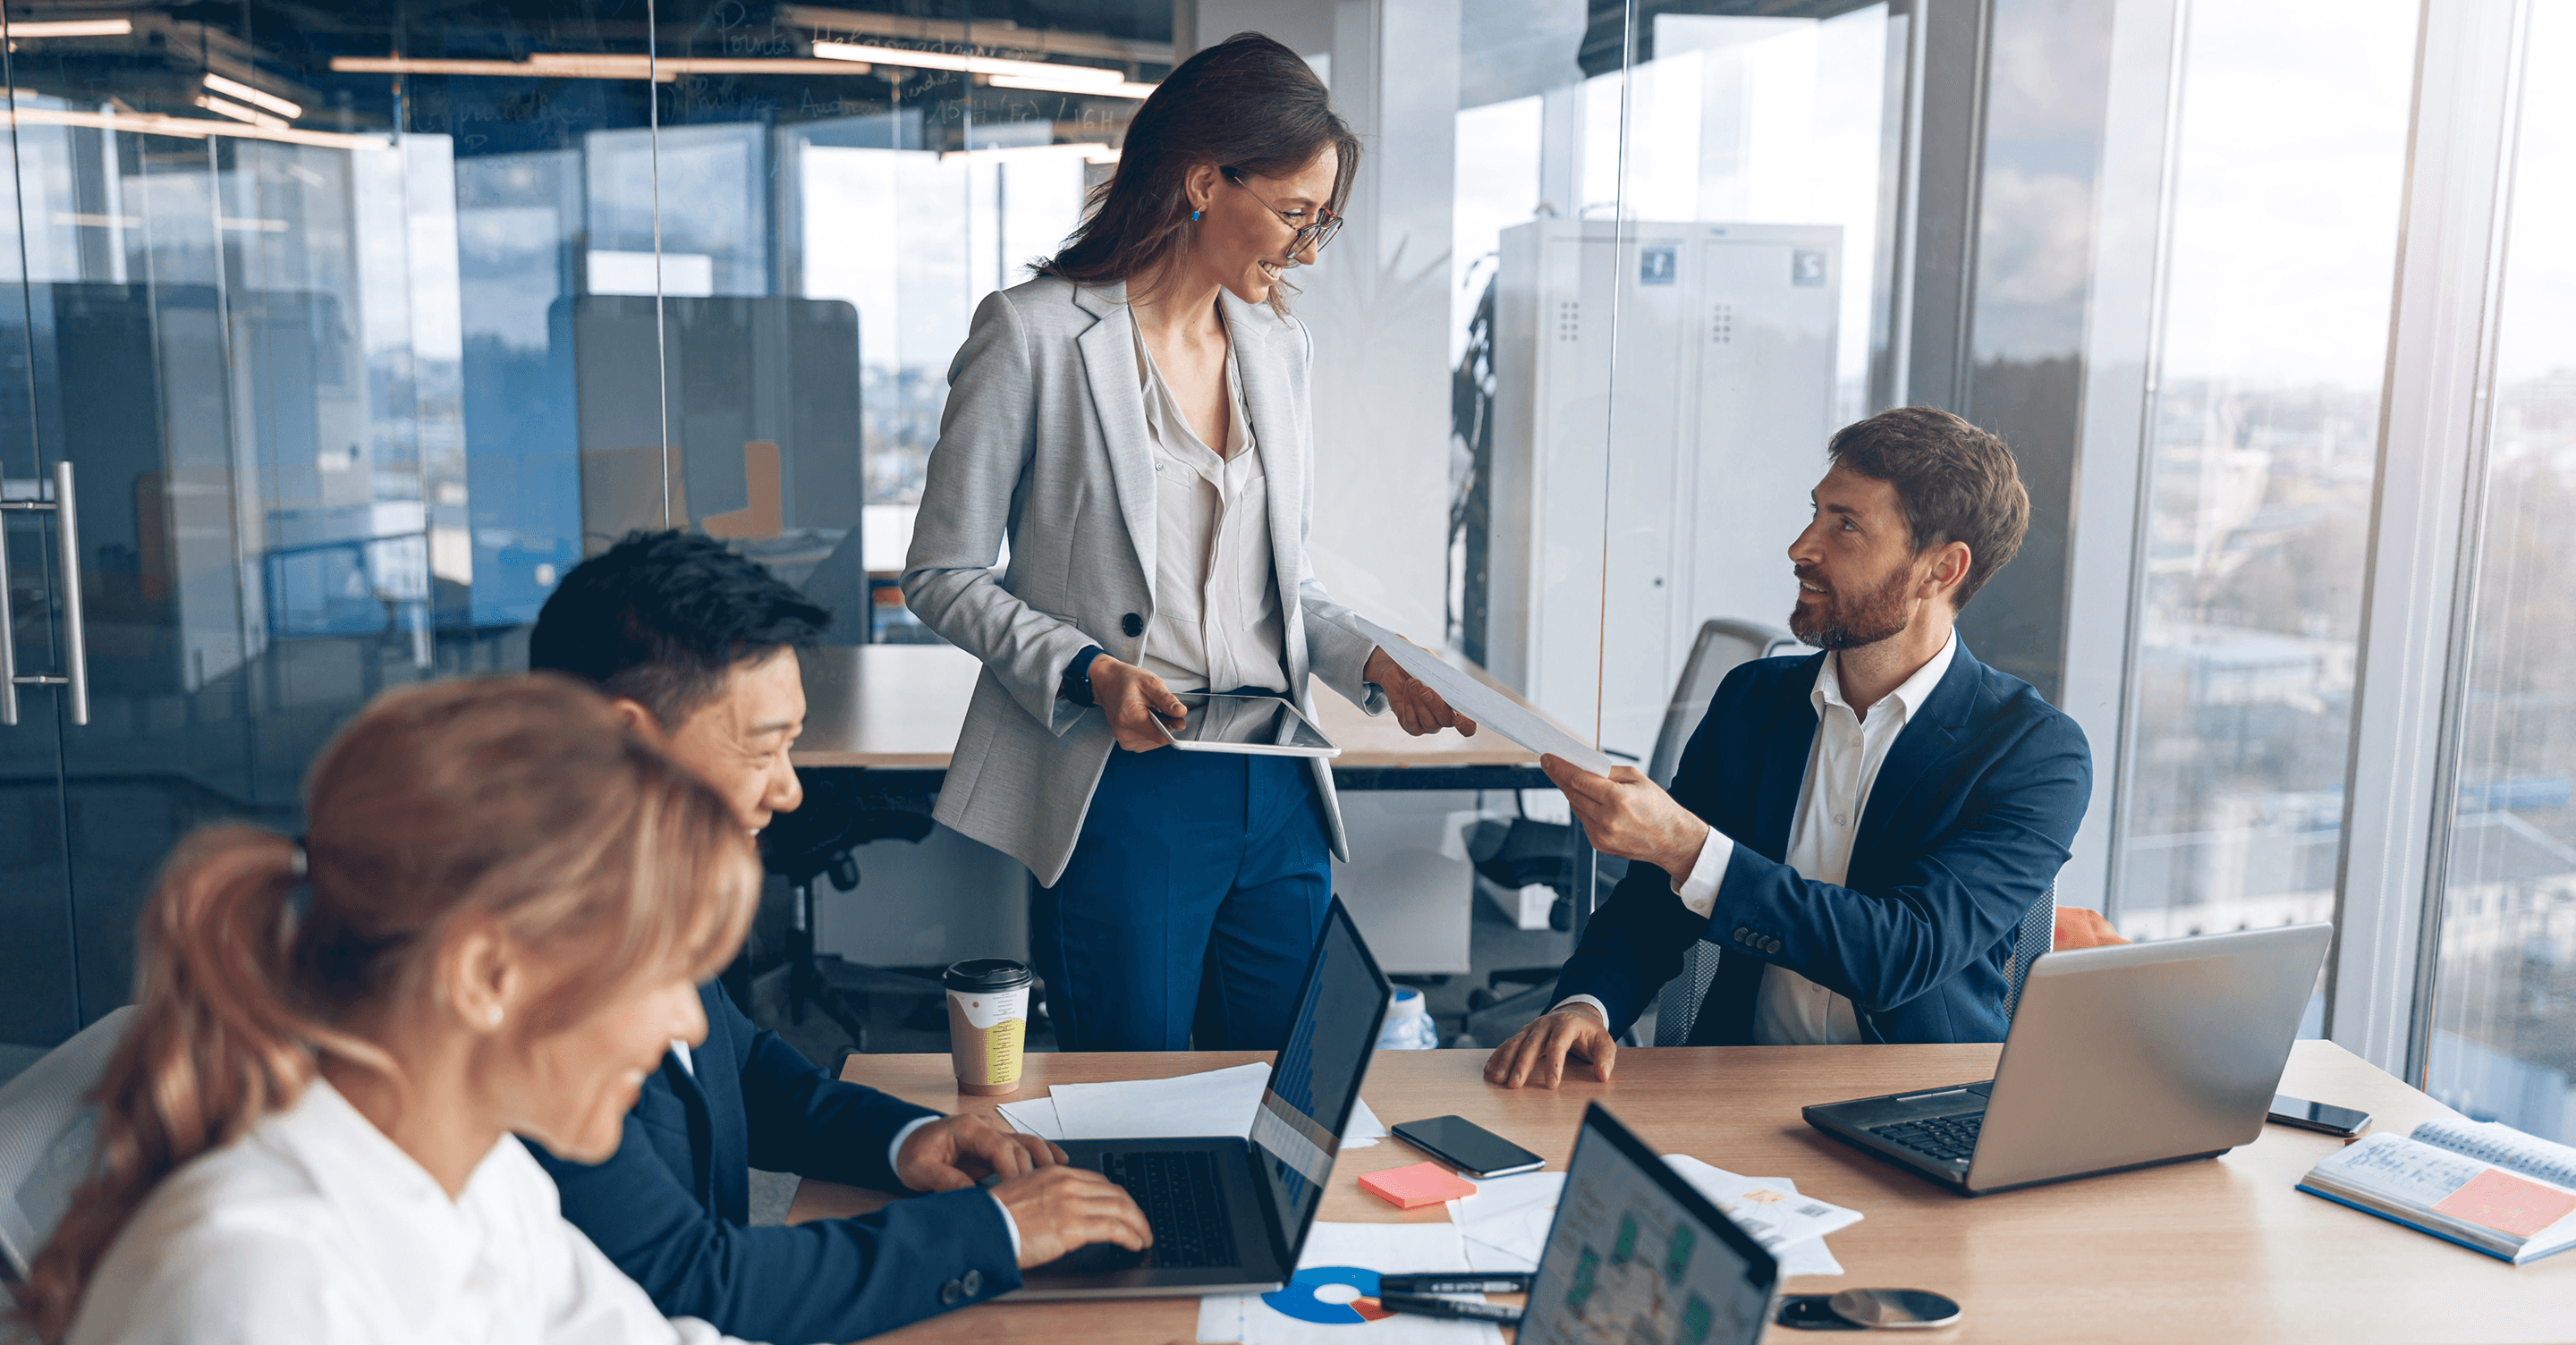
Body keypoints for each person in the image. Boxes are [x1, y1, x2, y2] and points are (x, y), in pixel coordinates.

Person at [902, 32, 1472, 1053]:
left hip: (1278, 785)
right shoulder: (1032, 334)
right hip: (1126, 780)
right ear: (1206, 180)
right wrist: (1086, 671)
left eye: (1322, 221)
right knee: (1138, 1099)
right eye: (1296, 213)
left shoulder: (1277, 347)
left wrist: (1374, 658)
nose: (1305, 248)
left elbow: (1282, 585)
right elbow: (941, 576)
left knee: (1276, 1092)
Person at [524, 531, 1148, 1342]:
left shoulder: (634, 893)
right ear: (627, 739)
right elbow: (688, 1282)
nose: (787, 791)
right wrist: (997, 1232)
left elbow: (740, 1063)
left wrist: (900, 1140)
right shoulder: (530, 972)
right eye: (763, 750)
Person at [14, 677, 761, 1344]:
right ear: (486, 975)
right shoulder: (263, 1286)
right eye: (666, 974)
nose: (691, 1024)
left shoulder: (480, 1178)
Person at [1484, 407, 2092, 1087]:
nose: (1802, 547)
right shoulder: (1754, 701)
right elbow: (1654, 901)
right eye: (1816, 513)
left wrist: (1687, 846)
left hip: (1919, 1095)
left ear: (1940, 570)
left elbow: (1902, 953)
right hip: (1741, 1082)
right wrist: (1588, 1002)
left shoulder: (2033, 753)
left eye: (1846, 525)